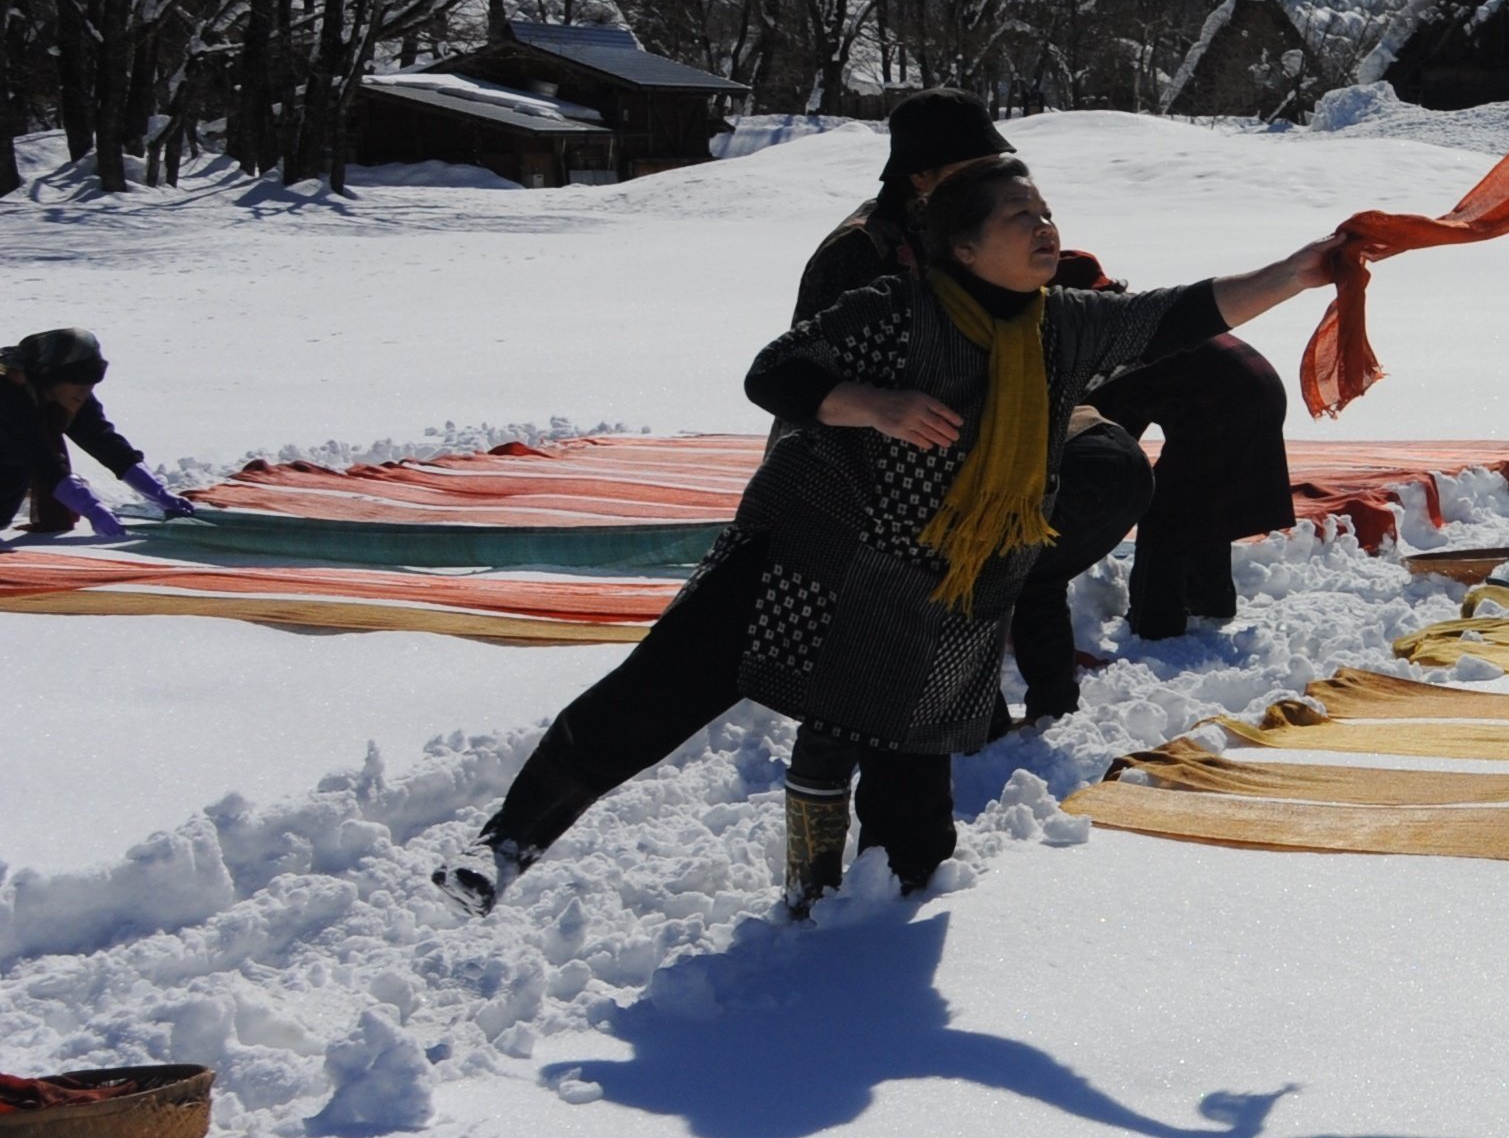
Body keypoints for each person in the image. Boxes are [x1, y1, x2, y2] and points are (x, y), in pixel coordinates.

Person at [454, 156, 1354, 916]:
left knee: (914, 825)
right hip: (810, 550)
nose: (1044, 228)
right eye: (1019, 217)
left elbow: (1184, 312)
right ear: (963, 247)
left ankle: (875, 940)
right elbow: (775, 372)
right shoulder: (895, 311)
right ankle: (505, 846)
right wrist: (870, 404)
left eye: (1046, 212)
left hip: (931, 589)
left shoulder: (1066, 327)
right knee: (659, 692)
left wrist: (1299, 269)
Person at [798, 94, 1155, 718]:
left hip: (986, 417)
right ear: (921, 176)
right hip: (887, 449)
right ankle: (959, 684)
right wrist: (885, 407)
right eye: (976, 166)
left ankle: (1024, 622)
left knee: (1107, 467)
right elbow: (805, 375)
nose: (995, 178)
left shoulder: (980, 218)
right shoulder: (860, 252)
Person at [1049, 248, 1300, 641]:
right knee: (1205, 502)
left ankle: (1154, 624)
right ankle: (1210, 599)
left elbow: (1109, 434)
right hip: (1256, 388)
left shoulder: (1108, 342)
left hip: (1225, 402)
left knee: (1167, 511)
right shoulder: (1135, 315)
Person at [2, 328, 194, 540]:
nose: (85, 390)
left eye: (92, 380)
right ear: (49, 374)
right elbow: (40, 458)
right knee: (19, 461)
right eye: (78, 380)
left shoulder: (65, 391)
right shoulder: (8, 392)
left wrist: (158, 493)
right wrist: (90, 507)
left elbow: (102, 439)